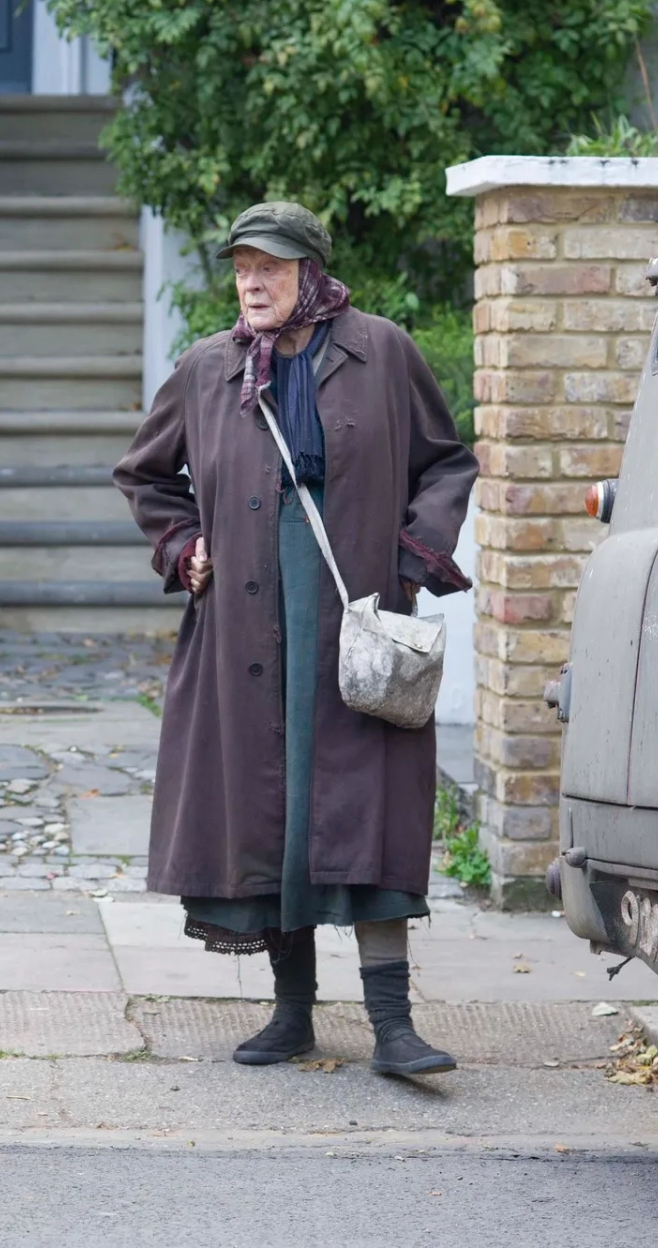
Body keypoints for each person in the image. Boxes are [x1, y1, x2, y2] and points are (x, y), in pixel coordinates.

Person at [114, 202, 478, 1077]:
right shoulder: (210, 369)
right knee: (272, 817)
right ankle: (292, 1013)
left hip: (351, 627)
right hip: (243, 635)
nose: (253, 281)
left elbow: (445, 461)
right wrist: (184, 546)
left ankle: (393, 1026)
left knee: (370, 814)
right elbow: (144, 473)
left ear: (311, 272)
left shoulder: (379, 351)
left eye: (272, 267)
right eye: (243, 266)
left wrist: (410, 559)